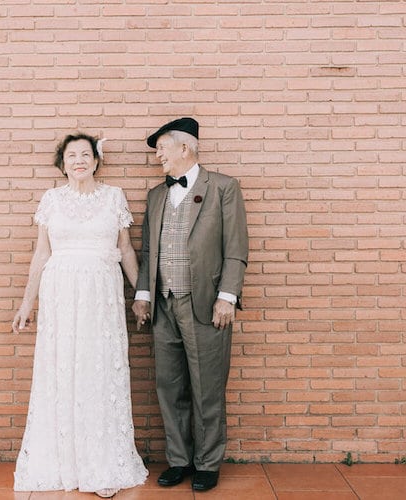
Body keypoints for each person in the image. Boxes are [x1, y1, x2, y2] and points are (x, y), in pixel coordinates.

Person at [12, 133, 148, 498]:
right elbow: (41, 253)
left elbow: (126, 250)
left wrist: (141, 295)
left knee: (98, 371)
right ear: (62, 163)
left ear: (96, 160)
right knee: (63, 371)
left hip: (101, 297)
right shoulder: (51, 200)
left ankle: (100, 462)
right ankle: (63, 460)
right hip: (61, 296)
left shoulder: (113, 197)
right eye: (72, 155)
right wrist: (28, 301)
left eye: (85, 154)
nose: (79, 161)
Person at [132, 117, 249, 492]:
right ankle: (179, 460)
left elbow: (235, 248)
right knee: (170, 387)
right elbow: (148, 250)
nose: (157, 157)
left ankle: (208, 463)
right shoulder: (156, 196)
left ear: (185, 147)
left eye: (162, 148)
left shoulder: (223, 188)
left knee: (207, 387)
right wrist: (143, 296)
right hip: (163, 306)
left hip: (205, 304)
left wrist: (227, 297)